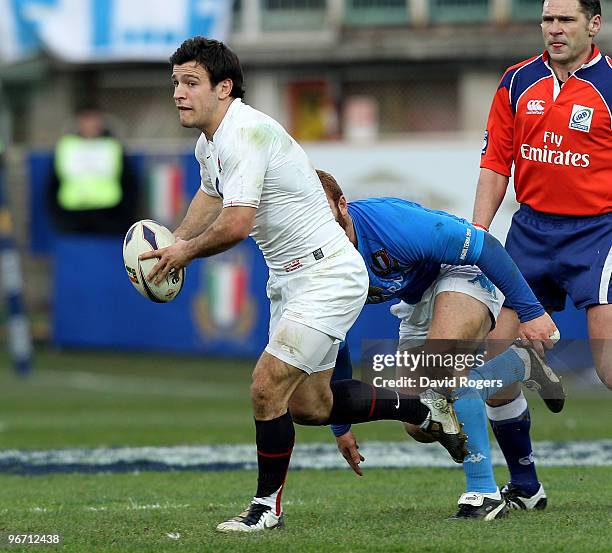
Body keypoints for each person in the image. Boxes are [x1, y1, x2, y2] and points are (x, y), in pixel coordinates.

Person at [140, 36, 467, 533]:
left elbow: (235, 224)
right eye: (175, 84)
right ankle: (422, 407)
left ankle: (265, 507)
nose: (179, 94)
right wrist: (172, 242)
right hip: (291, 280)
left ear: (224, 88)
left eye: (191, 83)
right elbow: (210, 198)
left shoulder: (244, 133)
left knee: (265, 385)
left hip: (327, 273)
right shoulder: (210, 143)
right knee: (310, 407)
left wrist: (183, 253)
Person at [317, 170, 563, 519]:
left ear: (342, 205)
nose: (320, 227)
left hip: (461, 270)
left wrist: (531, 312)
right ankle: (517, 363)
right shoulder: (320, 260)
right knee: (419, 422)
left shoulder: (391, 223)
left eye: (325, 213)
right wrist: (340, 426)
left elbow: (483, 245)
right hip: (416, 301)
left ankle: (484, 493)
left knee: (442, 365)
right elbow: (332, 338)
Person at [473, 0, 611, 510]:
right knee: (489, 369)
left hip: (598, 234)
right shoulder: (516, 82)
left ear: (593, 25)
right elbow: (495, 163)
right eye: (548, 20)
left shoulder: (610, 86)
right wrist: (478, 237)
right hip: (530, 233)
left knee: (609, 368)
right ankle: (527, 487)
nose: (554, 30)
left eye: (566, 20)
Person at [48, 106, 138, 235]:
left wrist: (124, 216)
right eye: (86, 120)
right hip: (72, 217)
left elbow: (128, 181)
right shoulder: (66, 146)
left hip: (109, 216)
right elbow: (53, 183)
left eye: (93, 119)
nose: (90, 125)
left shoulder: (112, 146)